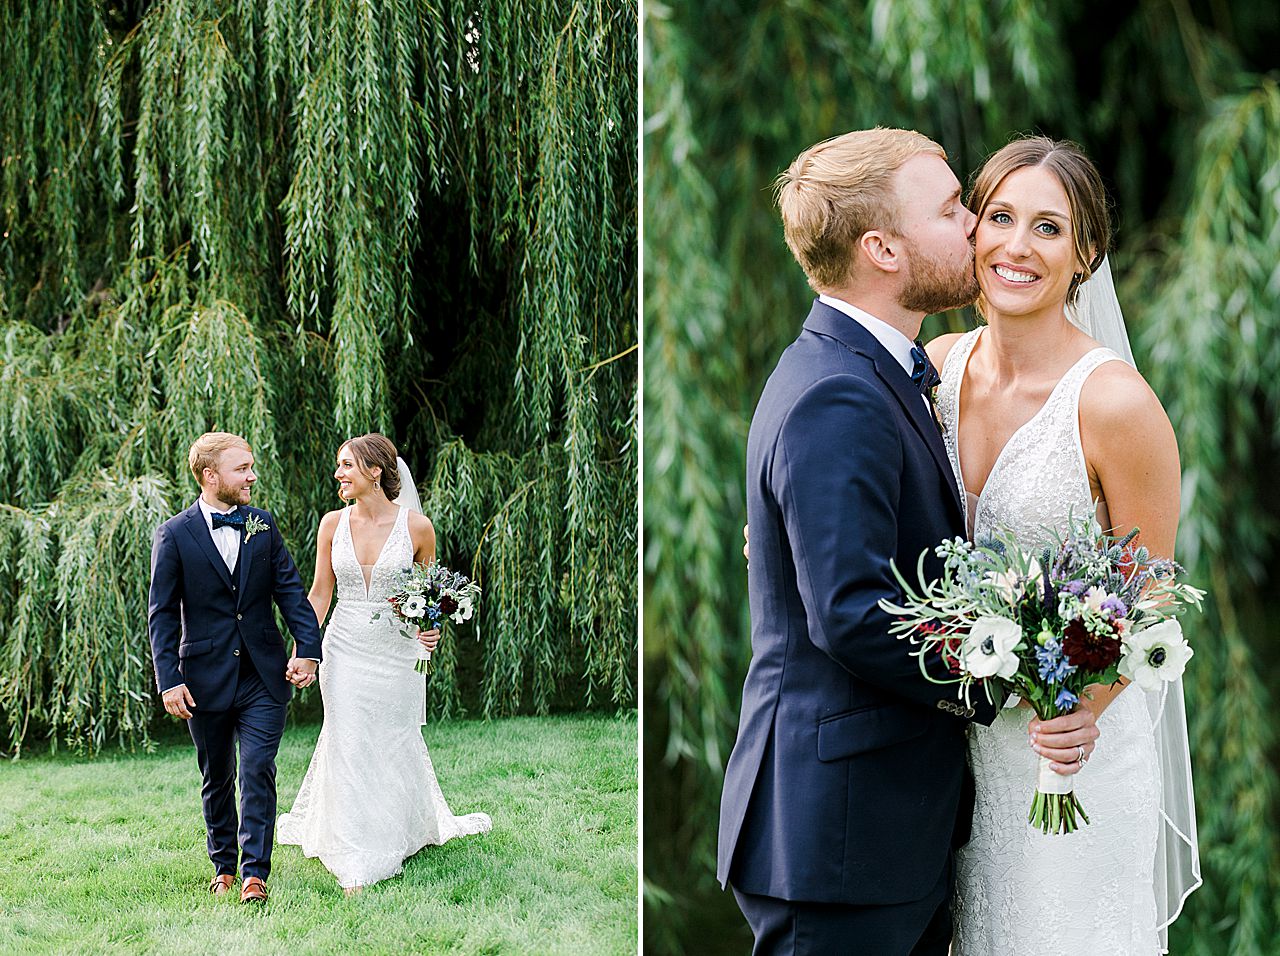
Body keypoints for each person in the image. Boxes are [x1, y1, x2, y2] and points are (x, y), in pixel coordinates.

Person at [718, 128, 1098, 956]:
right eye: (954, 208)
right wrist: (1008, 671)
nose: (976, 227)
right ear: (883, 248)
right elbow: (852, 611)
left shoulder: (886, 369)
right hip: (841, 839)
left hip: (884, 829)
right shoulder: (839, 394)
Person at [928, 135, 1199, 955]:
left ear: (1084, 255)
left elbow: (1150, 595)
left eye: (1048, 228)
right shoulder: (935, 368)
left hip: (1072, 759)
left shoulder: (1115, 404)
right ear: (971, 230)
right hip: (963, 758)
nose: (1016, 245)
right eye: (1001, 216)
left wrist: (1083, 709)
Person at [276, 433, 491, 892]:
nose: (338, 474)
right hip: (345, 647)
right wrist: (303, 648)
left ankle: (400, 830)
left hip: (397, 652)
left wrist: (431, 625)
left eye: (347, 465)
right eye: (338, 465)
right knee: (349, 737)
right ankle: (357, 850)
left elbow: (429, 595)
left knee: (393, 740)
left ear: (376, 472)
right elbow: (319, 594)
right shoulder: (331, 524)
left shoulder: (418, 528)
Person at [148, 432, 323, 904]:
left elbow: (290, 590)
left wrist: (307, 648)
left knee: (258, 770)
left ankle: (255, 874)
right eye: (242, 469)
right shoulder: (174, 533)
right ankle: (223, 864)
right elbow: (162, 614)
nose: (252, 476)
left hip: (264, 675)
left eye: (251, 467)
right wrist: (170, 680)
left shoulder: (261, 525)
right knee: (217, 775)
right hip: (202, 677)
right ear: (210, 476)